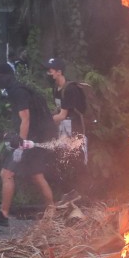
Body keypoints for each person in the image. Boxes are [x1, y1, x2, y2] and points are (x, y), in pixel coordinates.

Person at [0, 64, 57, 227]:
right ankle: (52, 210)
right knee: (36, 174)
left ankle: (3, 214)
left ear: (6, 76)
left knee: (7, 173)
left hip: (30, 139)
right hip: (37, 136)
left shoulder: (17, 91)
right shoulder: (18, 89)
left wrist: (20, 146)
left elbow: (25, 119)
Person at [45, 57, 88, 193]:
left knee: (75, 160)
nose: (48, 73)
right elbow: (59, 111)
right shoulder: (56, 88)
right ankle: (68, 191)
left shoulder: (70, 89)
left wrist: (44, 121)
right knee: (64, 158)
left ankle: (82, 191)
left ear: (59, 71)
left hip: (74, 129)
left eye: (50, 70)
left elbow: (62, 115)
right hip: (64, 127)